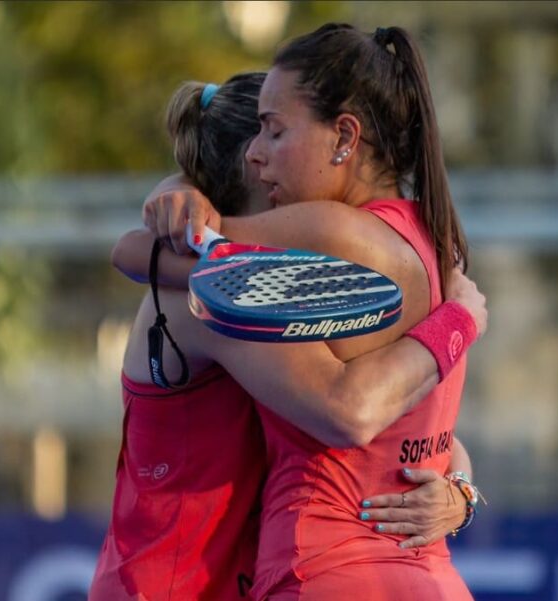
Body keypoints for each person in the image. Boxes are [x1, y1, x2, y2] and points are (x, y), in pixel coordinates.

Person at [135, 24, 479, 599]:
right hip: (431, 578)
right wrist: (462, 489)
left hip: (322, 571)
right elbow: (420, 430)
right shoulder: (437, 238)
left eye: (275, 131)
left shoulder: (323, 234)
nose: (258, 154)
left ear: (345, 137)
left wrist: (179, 207)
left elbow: (351, 411)